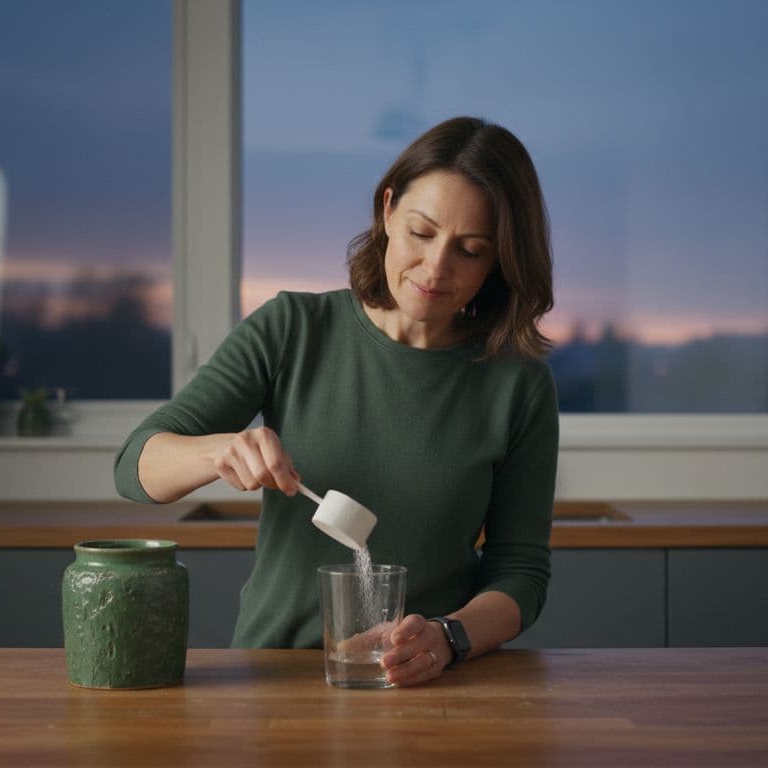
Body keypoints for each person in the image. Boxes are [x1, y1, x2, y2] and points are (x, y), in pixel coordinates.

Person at [115, 116, 559, 687]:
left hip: (426, 685)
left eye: (470, 250)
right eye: (421, 233)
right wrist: (219, 451)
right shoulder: (292, 330)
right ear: (387, 209)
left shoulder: (516, 384)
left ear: (499, 260)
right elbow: (134, 466)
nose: (435, 269)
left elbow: (520, 571)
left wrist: (449, 636)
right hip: (268, 676)